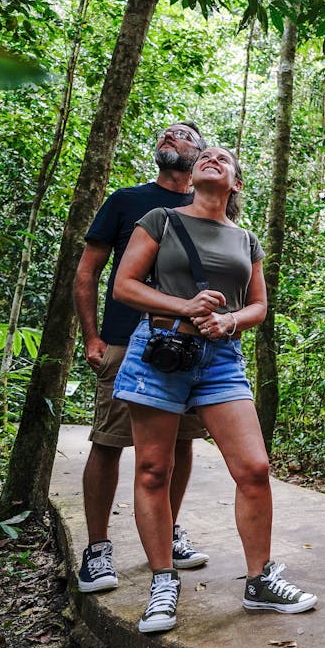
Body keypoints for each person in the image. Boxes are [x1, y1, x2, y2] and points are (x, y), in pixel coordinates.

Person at [111, 146, 316, 633]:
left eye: (224, 159)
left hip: (221, 358)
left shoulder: (245, 239)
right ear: (193, 175)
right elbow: (124, 285)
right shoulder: (159, 219)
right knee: (153, 469)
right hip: (161, 349)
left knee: (254, 468)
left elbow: (259, 307)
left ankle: (259, 580)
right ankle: (163, 582)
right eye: (206, 155)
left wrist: (229, 318)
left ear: (235, 184)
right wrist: (186, 306)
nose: (212, 159)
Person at [73, 123, 211, 594]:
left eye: (182, 135)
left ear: (201, 153)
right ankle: (96, 549)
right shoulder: (126, 201)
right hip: (123, 339)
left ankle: (168, 533)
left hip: (187, 346)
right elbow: (88, 272)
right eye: (164, 134)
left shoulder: (207, 207)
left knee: (181, 443)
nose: (169, 138)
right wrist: (92, 337)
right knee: (109, 441)